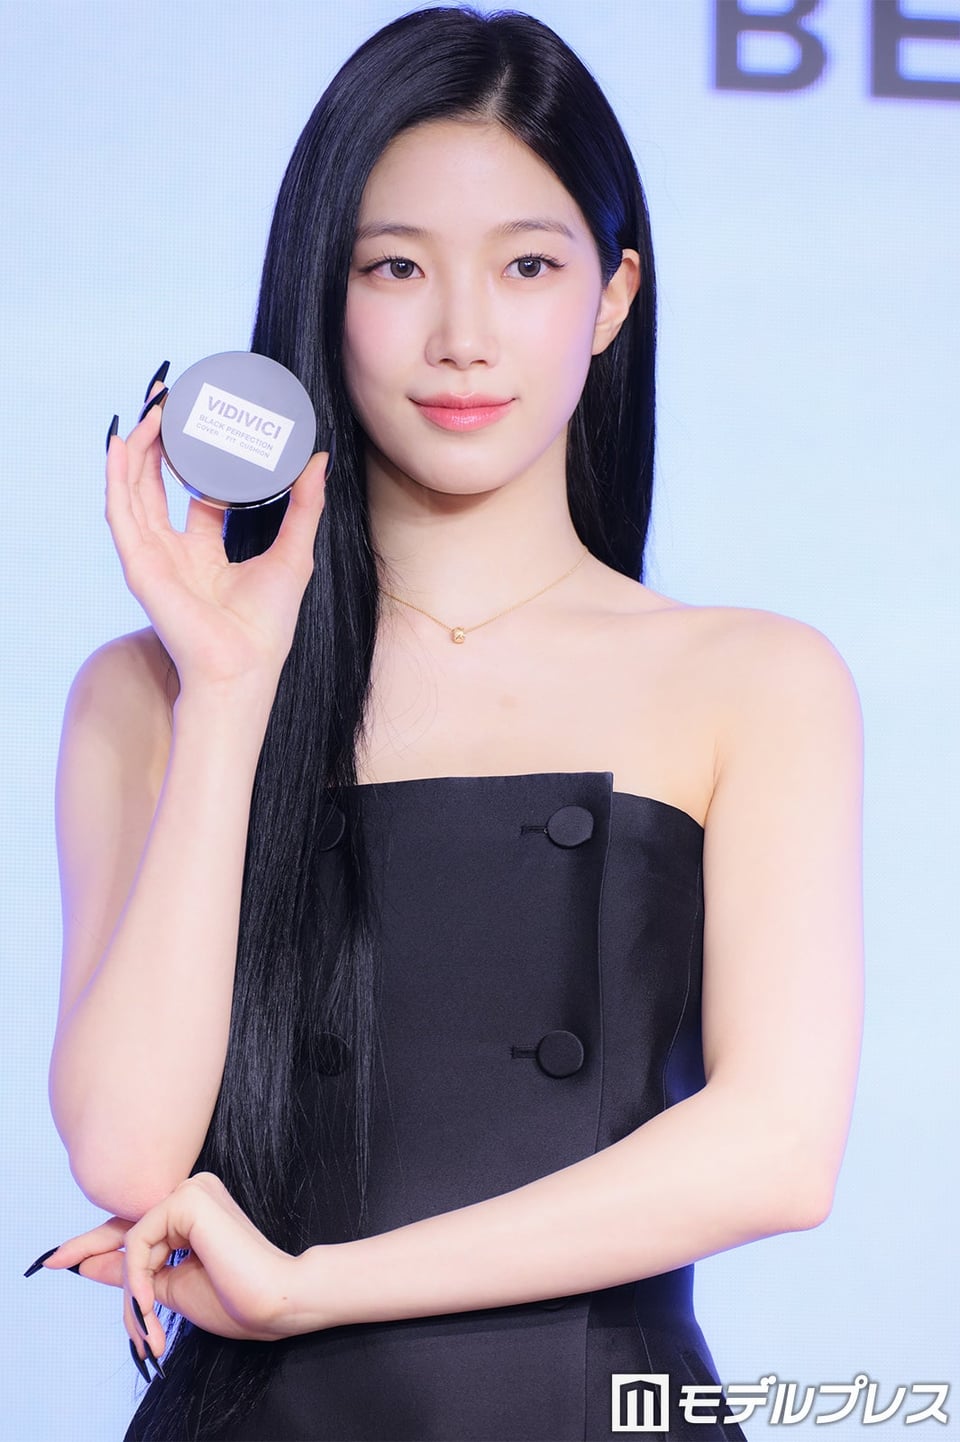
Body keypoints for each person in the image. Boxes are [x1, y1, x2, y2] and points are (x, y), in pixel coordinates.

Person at [26, 6, 864, 1440]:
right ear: (323, 291)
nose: (463, 337)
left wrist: (318, 1286)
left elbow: (779, 1148)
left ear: (612, 297)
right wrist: (229, 693)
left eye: (528, 266)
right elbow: (125, 1150)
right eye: (397, 267)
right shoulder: (148, 689)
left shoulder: (754, 676)